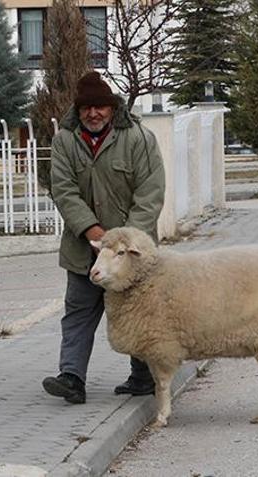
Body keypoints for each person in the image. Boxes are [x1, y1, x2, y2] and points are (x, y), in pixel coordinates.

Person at [42, 71, 165, 404]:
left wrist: (122, 241)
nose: (93, 114)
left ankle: (142, 377)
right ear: (78, 110)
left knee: (137, 311)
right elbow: (64, 191)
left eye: (100, 107)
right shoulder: (65, 141)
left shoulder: (138, 137)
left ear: (112, 108)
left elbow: (150, 192)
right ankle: (71, 377)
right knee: (79, 311)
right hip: (84, 248)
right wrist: (93, 232)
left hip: (131, 251)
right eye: (86, 108)